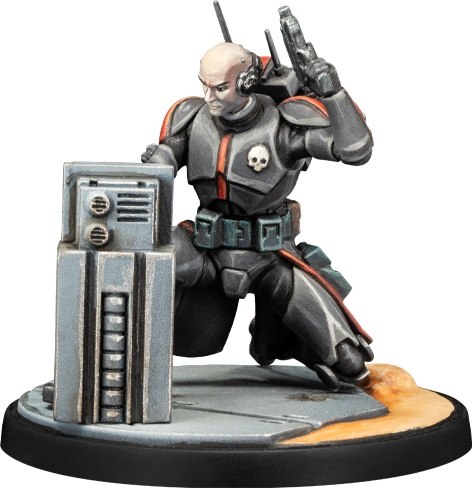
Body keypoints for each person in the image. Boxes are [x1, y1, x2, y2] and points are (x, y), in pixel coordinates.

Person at [142, 41, 374, 390]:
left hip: (269, 258)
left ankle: (287, 342)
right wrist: (157, 164)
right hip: (206, 249)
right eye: (204, 85)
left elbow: (355, 150)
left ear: (248, 81)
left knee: (350, 364)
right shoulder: (191, 118)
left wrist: (333, 93)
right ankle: (130, 358)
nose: (208, 97)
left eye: (220, 88)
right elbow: (164, 162)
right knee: (149, 261)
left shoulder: (283, 126)